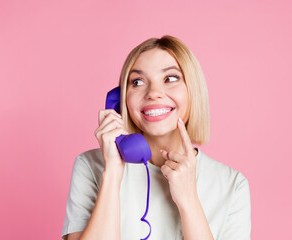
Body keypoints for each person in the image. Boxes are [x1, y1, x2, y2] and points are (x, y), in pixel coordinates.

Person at [61, 35, 251, 240]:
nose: (153, 93)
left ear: (192, 91)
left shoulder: (232, 184)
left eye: (170, 78)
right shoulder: (91, 166)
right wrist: (113, 173)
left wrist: (189, 201)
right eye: (138, 82)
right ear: (122, 98)